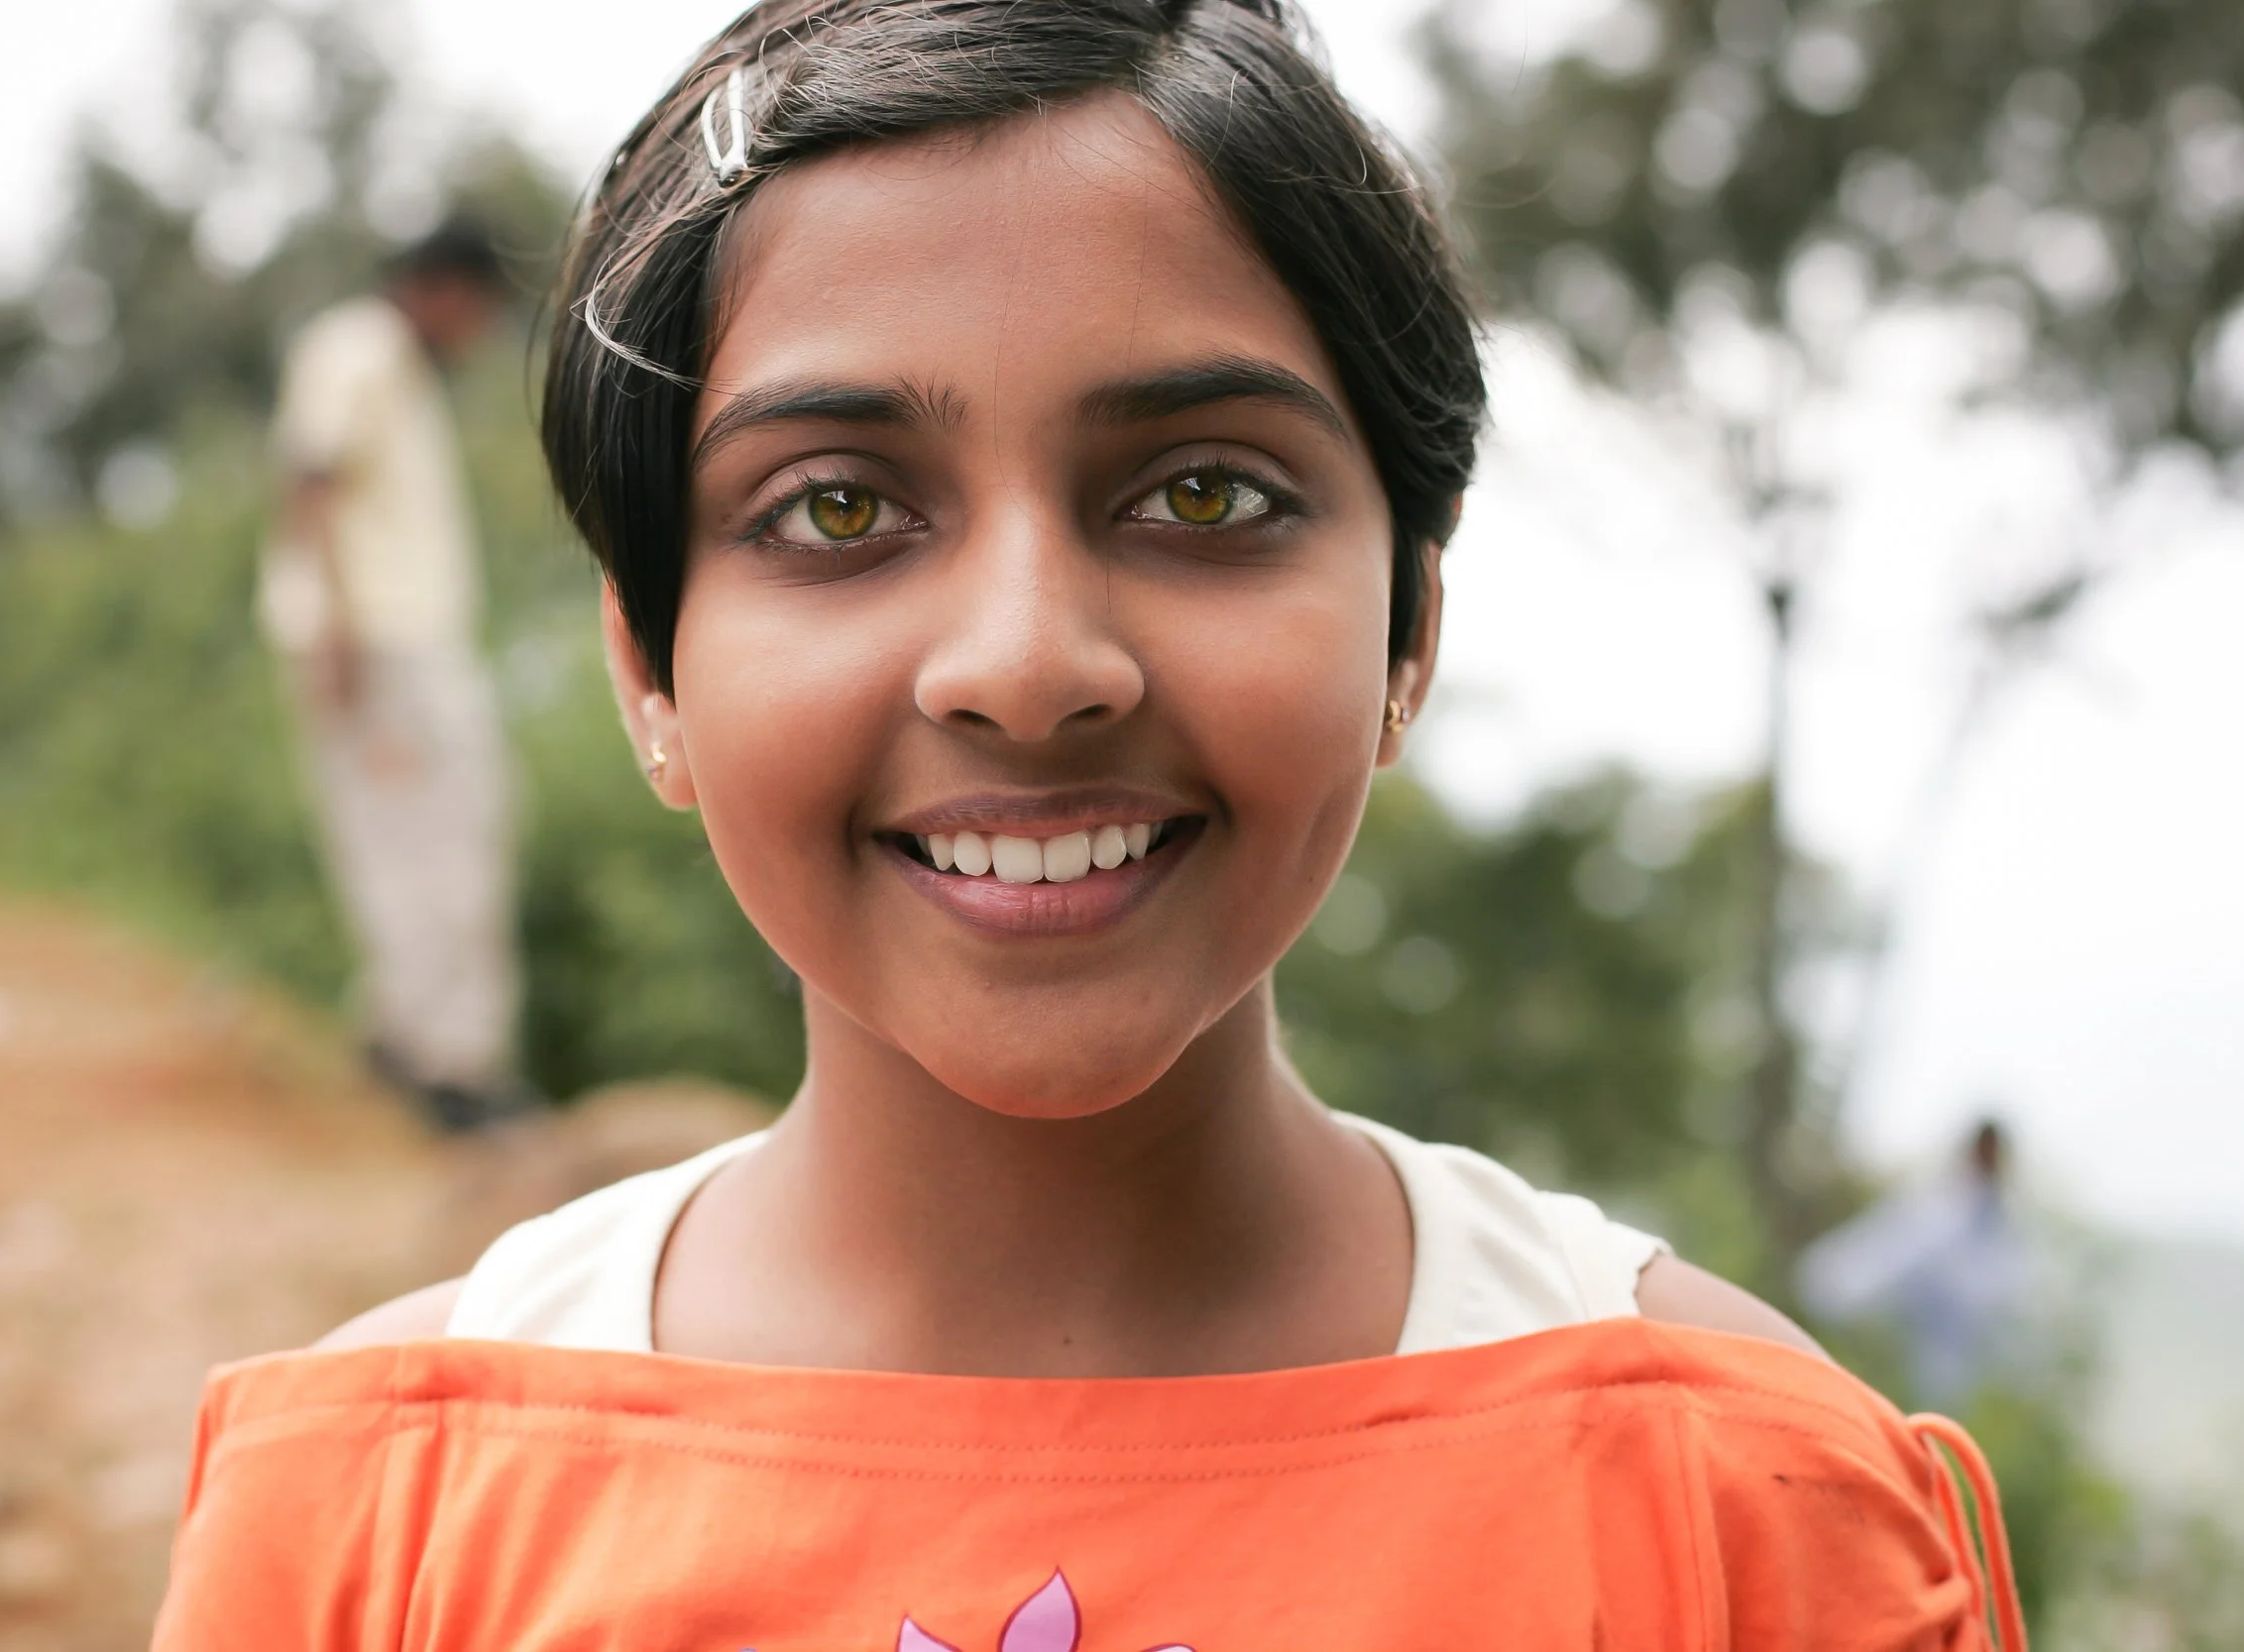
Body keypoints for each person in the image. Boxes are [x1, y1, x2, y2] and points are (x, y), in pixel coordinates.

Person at [157, 5, 2025, 1645]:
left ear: (1409, 630)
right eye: (834, 510)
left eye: (1204, 492)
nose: (1030, 666)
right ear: (652, 665)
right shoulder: (378, 1529)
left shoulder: (1738, 1508)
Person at [260, 220, 535, 1134]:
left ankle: (404, 1038)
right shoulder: (361, 347)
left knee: (430, 837)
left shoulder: (396, 367)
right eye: (477, 309)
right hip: (380, 646)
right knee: (436, 842)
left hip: (393, 640)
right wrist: (333, 626)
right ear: (445, 288)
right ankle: (450, 1066)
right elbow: (312, 477)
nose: (476, 331)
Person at [1800, 1117, 2037, 1406]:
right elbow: (1883, 1260)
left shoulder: (2001, 1227)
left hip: (1942, 1376)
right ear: (1975, 1150)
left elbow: (2001, 1304)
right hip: (1889, 1350)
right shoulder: (1936, 1208)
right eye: (1987, 1149)